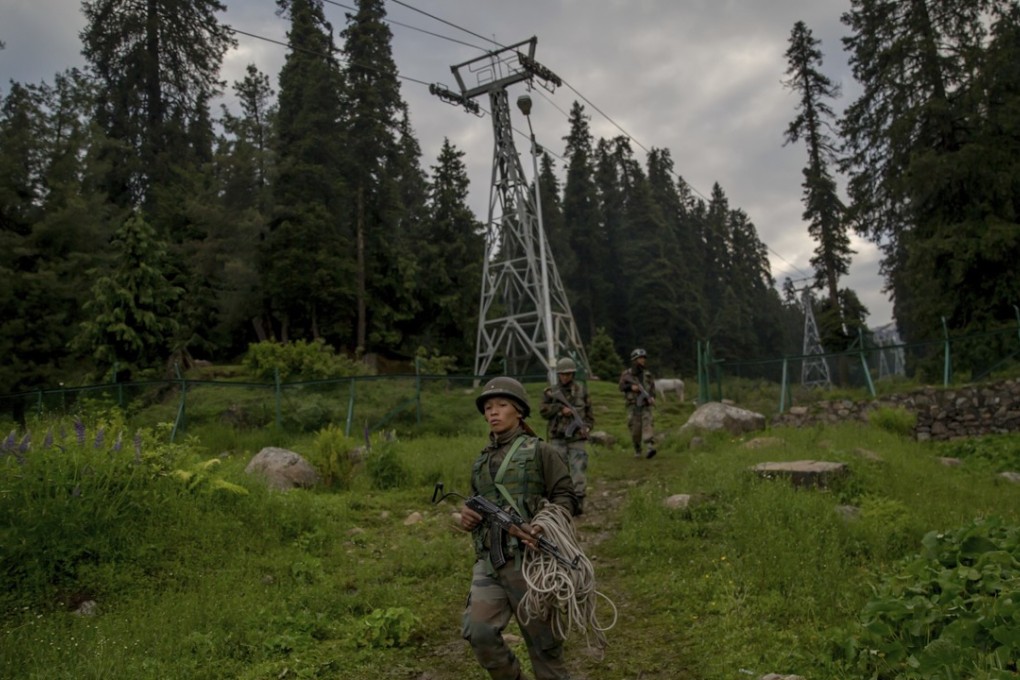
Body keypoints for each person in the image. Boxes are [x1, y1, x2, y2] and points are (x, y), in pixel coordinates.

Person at [460, 376, 579, 680]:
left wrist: (544, 523)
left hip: (532, 564)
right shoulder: (480, 462)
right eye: (488, 407)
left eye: (501, 405)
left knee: (544, 648)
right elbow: (475, 502)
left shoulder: (541, 452)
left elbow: (566, 496)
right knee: (479, 631)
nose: (493, 412)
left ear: (519, 411)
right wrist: (466, 514)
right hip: (490, 561)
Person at [539, 357, 594, 513]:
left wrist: (587, 427)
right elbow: (543, 411)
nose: (566, 377)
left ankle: (579, 500)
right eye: (563, 374)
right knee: (558, 470)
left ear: (573, 374)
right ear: (558, 375)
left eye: (569, 374)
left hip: (577, 437)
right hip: (557, 437)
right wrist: (559, 409)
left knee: (579, 469)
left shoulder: (581, 390)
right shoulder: (552, 391)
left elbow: (589, 413)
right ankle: (561, 502)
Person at [618, 348, 656, 459]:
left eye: (644, 358)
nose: (643, 360)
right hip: (632, 405)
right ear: (634, 360)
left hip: (645, 405)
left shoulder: (648, 375)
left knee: (647, 424)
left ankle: (650, 447)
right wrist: (631, 387)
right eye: (640, 358)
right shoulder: (626, 374)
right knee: (635, 429)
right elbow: (621, 387)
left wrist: (652, 398)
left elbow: (652, 389)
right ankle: (637, 449)